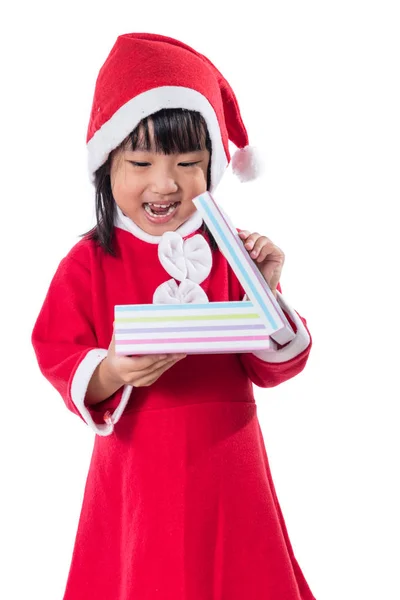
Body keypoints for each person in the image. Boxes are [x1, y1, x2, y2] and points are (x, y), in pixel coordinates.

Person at [31, 33, 316, 600]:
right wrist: (111, 371)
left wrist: (267, 290)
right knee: (143, 575)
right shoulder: (88, 262)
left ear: (211, 168)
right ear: (105, 166)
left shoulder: (235, 250)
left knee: (238, 574)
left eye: (189, 162)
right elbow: (56, 348)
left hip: (229, 458)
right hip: (137, 465)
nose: (165, 183)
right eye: (140, 162)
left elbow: (275, 365)